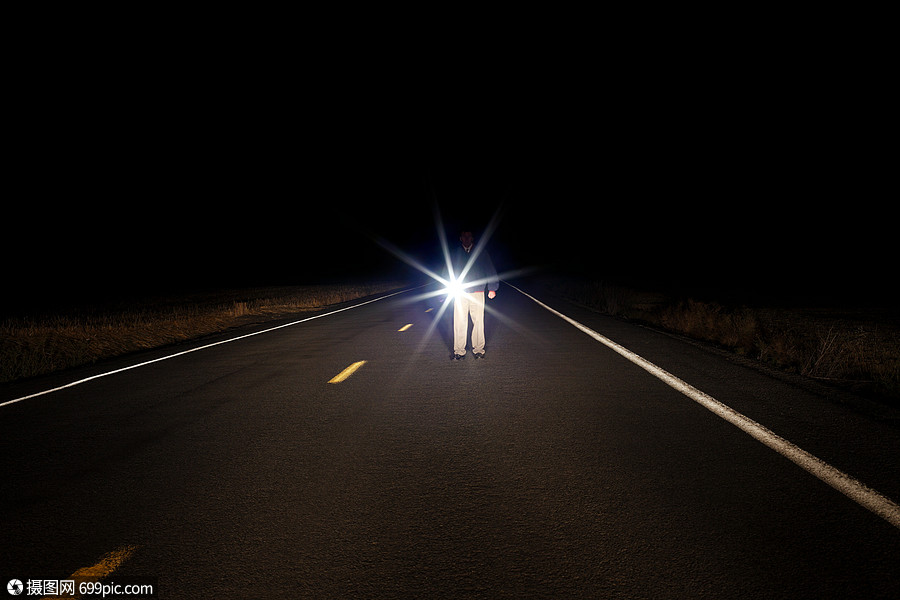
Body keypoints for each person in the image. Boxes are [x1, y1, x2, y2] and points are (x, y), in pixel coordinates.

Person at [451, 228, 499, 359]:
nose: (466, 239)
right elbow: (447, 271)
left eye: (469, 236)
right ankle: (459, 351)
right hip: (460, 292)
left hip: (477, 291)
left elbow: (490, 268)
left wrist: (492, 288)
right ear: (461, 238)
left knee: (478, 321)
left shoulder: (481, 252)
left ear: (472, 238)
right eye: (464, 236)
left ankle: (478, 349)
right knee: (459, 322)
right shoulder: (455, 253)